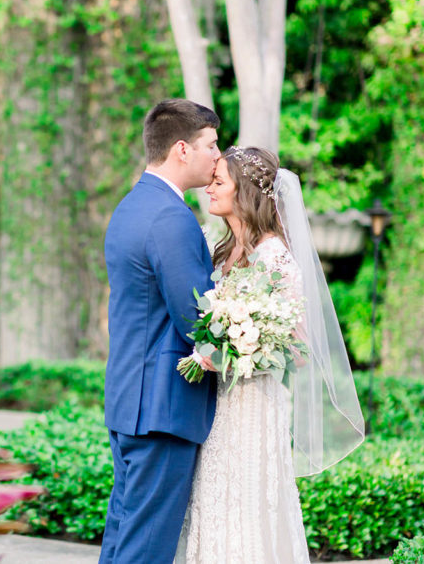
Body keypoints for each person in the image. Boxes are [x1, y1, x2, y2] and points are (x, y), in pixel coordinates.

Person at [175, 146, 365, 563]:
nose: (209, 186)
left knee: (247, 501)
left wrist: (241, 345)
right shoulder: (222, 252)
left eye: (219, 181)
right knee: (212, 497)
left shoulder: (277, 257)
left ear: (244, 193)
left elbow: (297, 347)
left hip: (254, 405)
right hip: (217, 405)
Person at [100, 98, 221, 564]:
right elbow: (197, 319)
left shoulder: (132, 206)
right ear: (182, 150)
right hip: (162, 407)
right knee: (146, 550)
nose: (218, 155)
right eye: (211, 145)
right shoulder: (171, 217)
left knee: (124, 540)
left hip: (132, 399)